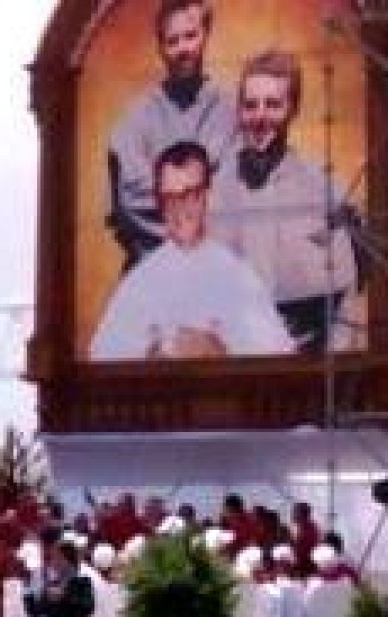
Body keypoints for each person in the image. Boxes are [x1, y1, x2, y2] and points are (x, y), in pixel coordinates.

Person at [209, 49, 362, 353]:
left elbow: (347, 303)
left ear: (293, 108)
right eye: (250, 106)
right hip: (229, 371)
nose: (260, 117)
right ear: (239, 112)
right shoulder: (212, 193)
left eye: (273, 105)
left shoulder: (326, 191)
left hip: (307, 377)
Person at [90, 141, 294, 359]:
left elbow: (277, 356)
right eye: (168, 197)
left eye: (189, 194)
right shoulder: (140, 281)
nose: (179, 209)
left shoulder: (238, 276)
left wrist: (217, 349)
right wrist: (153, 352)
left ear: (207, 195)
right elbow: (103, 357)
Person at [107, 0, 236, 270]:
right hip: (153, 271)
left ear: (205, 34)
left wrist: (170, 196)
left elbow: (233, 196)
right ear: (160, 47)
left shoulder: (231, 114)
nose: (183, 49)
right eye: (172, 41)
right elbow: (132, 202)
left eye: (190, 36)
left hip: (217, 271)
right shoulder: (135, 121)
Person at [24, 530, 95, 617]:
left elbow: (88, 607)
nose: (53, 562)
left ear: (65, 559)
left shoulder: (82, 581)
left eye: (56, 557)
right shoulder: (52, 584)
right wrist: (28, 590)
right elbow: (35, 611)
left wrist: (65, 596)